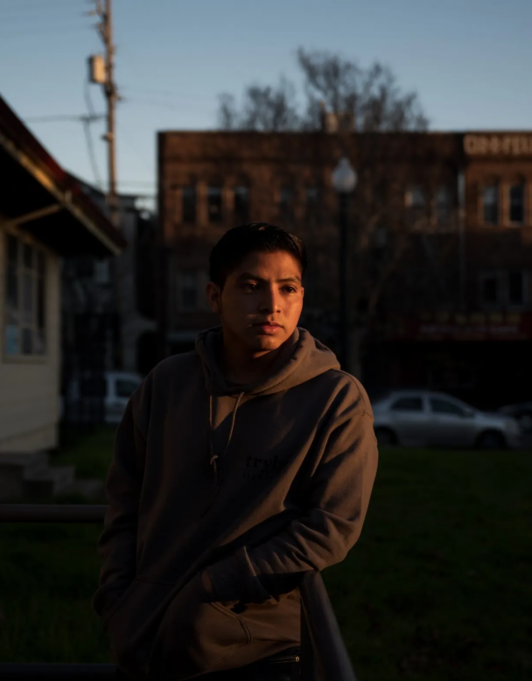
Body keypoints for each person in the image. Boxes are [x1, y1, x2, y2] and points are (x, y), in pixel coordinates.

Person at [94, 222, 378, 681]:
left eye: (288, 288)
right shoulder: (165, 385)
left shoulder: (337, 400)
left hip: (260, 651)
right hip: (145, 641)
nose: (272, 304)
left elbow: (332, 526)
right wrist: (116, 597)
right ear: (214, 297)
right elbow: (124, 497)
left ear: (301, 297)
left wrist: (211, 587)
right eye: (251, 287)